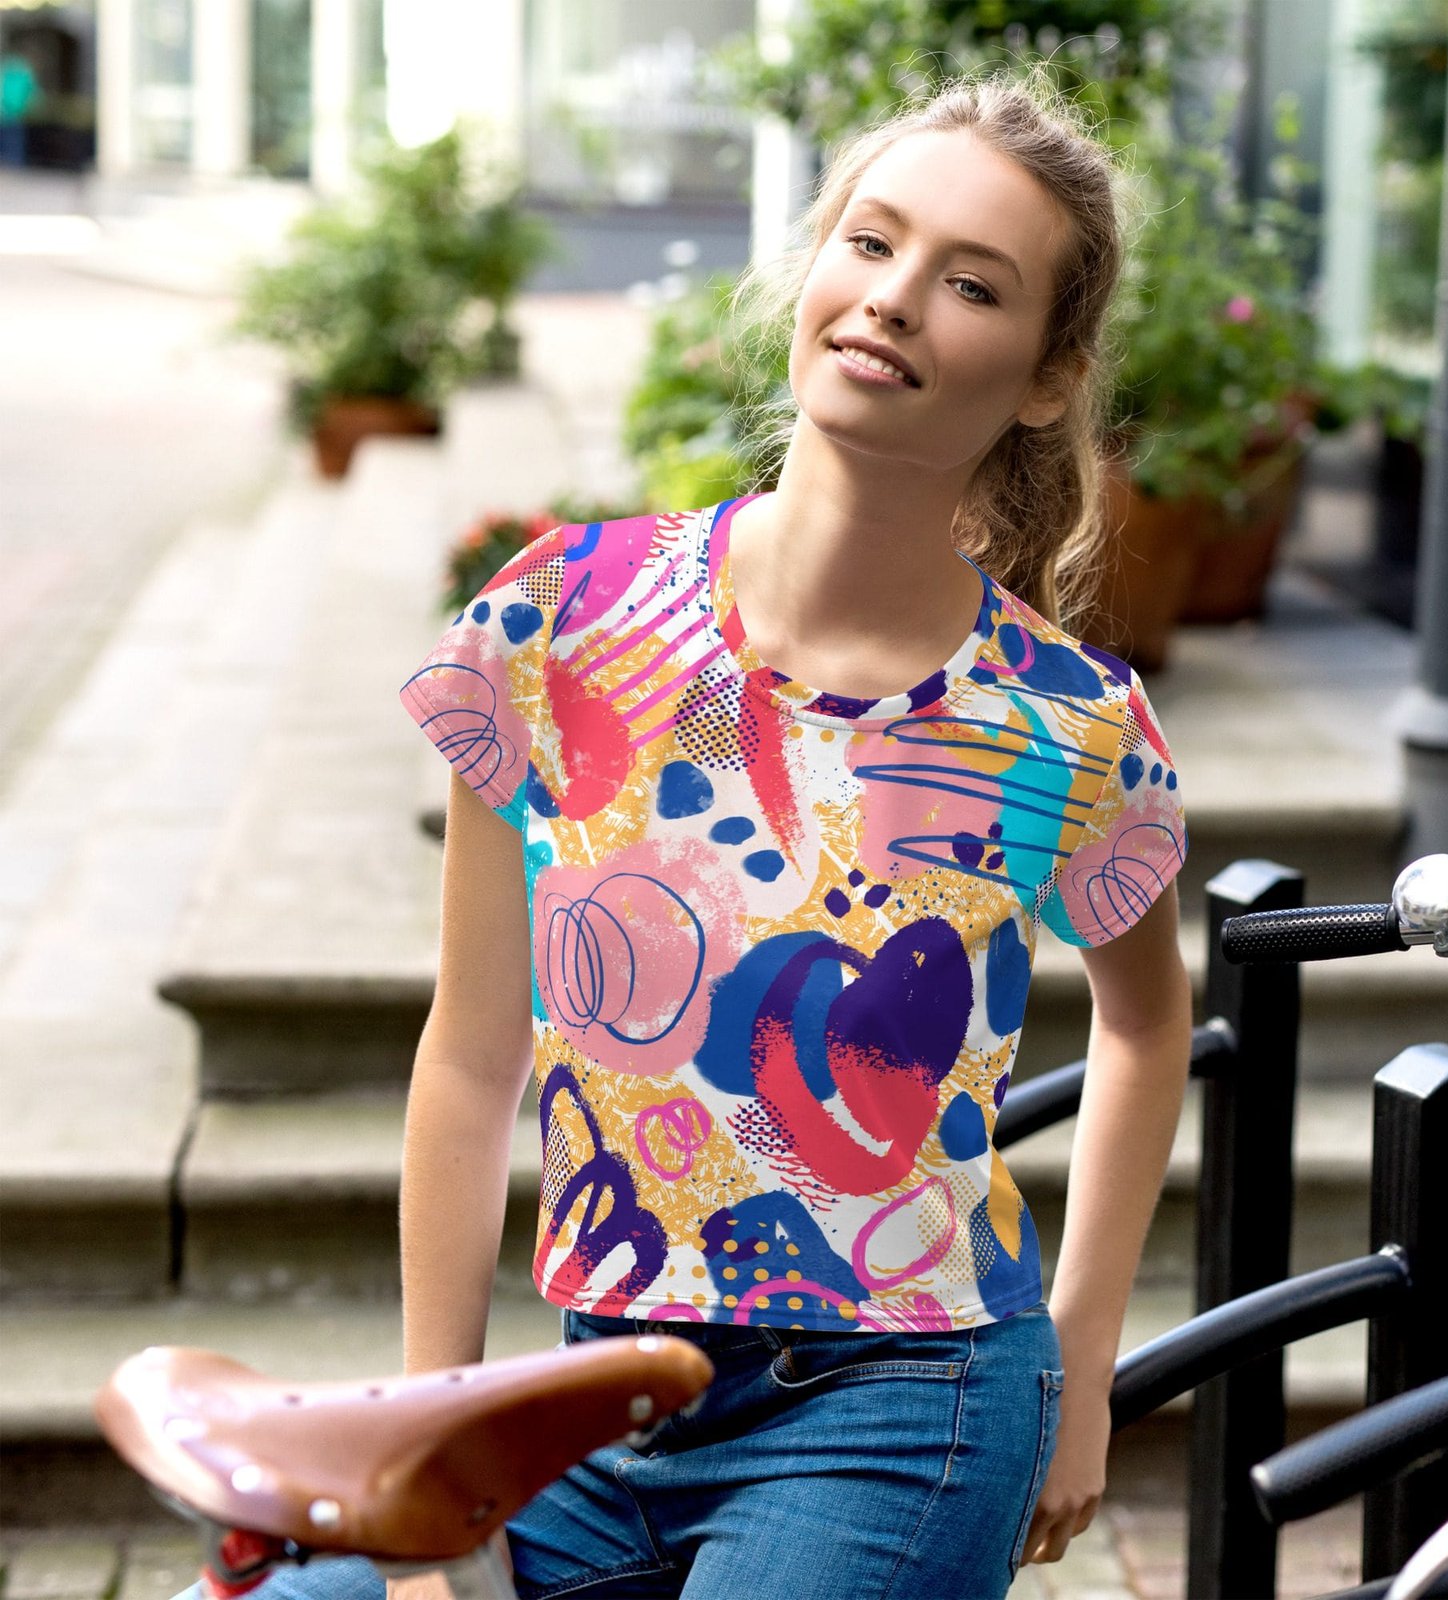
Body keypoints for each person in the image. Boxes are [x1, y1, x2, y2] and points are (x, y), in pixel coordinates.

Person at [183, 61, 1192, 1600]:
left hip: (904, 1405)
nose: (895, 297)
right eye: (872, 242)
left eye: (972, 283)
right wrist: (428, 1479)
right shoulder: (560, 625)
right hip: (599, 1401)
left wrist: (1084, 1361)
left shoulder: (1066, 724)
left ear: (1047, 377)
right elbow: (470, 1057)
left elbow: (1147, 1025)